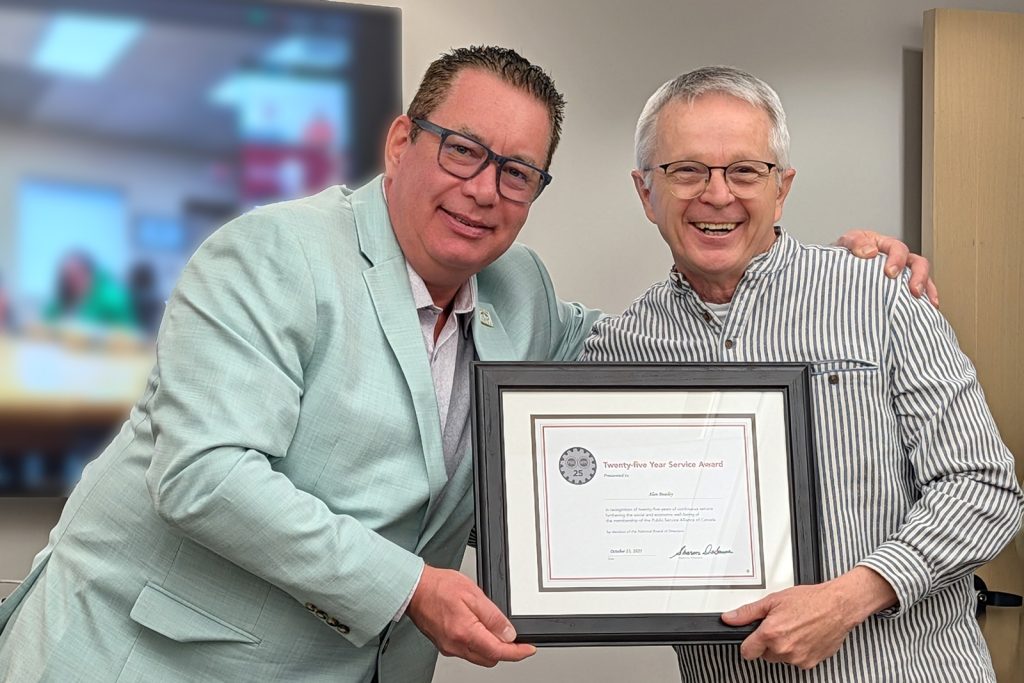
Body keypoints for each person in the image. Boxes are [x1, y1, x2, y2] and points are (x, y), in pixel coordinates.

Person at [0, 47, 928, 682]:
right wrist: (412, 587)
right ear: (402, 143)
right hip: (147, 655)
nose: (485, 189)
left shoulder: (519, 290)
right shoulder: (273, 254)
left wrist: (836, 271)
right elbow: (204, 475)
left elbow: (654, 357)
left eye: (517, 171)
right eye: (464, 151)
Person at [580, 66, 1023, 682]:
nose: (717, 195)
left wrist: (850, 597)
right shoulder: (617, 352)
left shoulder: (880, 295)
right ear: (645, 190)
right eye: (686, 170)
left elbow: (985, 489)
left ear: (781, 187)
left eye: (745, 170)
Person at [43, 250, 137, 329]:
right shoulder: (61, 300)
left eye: (76, 274)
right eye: (67, 276)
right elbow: (47, 321)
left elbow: (126, 334)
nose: (71, 281)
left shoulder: (113, 300)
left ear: (88, 273)